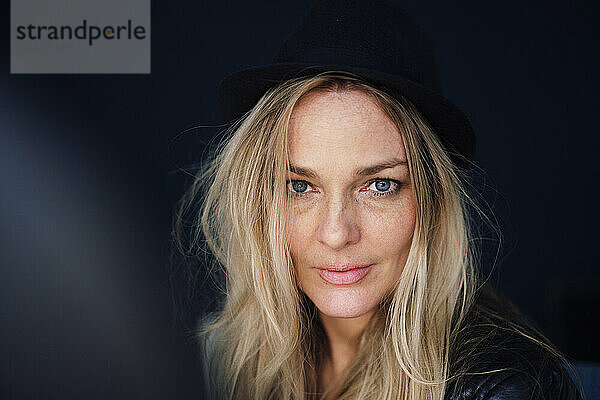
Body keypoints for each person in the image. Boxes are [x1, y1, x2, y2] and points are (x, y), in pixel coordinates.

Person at [173, 0, 583, 398]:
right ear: (257, 201)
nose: (335, 233)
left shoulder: (500, 387)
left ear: (432, 199)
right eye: (300, 186)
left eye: (380, 185)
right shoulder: (224, 358)